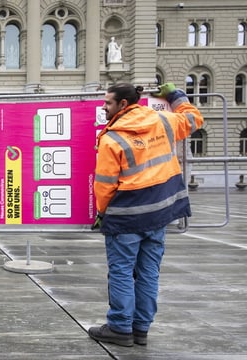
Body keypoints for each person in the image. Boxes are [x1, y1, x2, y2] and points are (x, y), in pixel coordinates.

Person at [88, 83, 204, 346]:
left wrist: (102, 213)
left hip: (127, 216)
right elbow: (193, 117)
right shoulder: (162, 121)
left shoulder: (112, 138)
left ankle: (119, 327)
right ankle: (141, 328)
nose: (104, 107)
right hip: (159, 214)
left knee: (121, 272)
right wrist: (175, 95)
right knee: (149, 272)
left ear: (123, 105)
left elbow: (105, 184)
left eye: (108, 103)